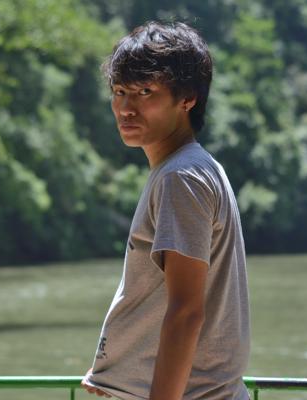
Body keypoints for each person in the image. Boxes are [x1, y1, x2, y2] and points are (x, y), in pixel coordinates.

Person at [81, 21, 250, 400]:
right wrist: (117, 369)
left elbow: (186, 313)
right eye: (120, 91)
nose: (126, 108)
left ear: (187, 98)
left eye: (145, 91)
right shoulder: (189, 168)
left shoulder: (181, 178)